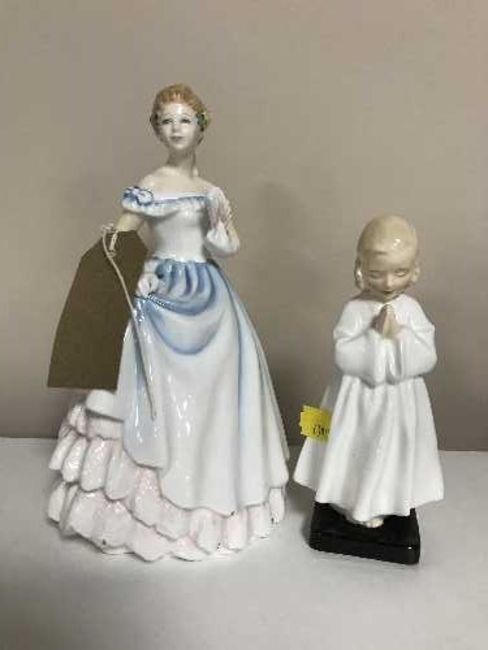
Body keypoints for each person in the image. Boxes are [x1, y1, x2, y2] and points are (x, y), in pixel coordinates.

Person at [48, 84, 289, 561]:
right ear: (157, 129)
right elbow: (122, 236)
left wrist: (220, 229)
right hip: (159, 291)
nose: (176, 129)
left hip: (210, 299)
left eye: (185, 120)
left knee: (223, 384)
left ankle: (212, 493)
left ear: (201, 127)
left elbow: (227, 246)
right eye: (167, 121)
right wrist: (128, 266)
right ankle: (139, 503)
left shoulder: (211, 192)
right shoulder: (152, 184)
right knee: (139, 379)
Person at [294, 215, 443, 528]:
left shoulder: (411, 311)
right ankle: (346, 495)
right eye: (377, 274)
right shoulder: (354, 310)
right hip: (354, 400)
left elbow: (427, 355)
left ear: (414, 269)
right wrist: (373, 337)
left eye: (399, 272)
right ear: (361, 270)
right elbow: (343, 352)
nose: (388, 283)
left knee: (389, 449)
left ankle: (384, 499)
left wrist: (400, 337)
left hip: (398, 402)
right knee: (351, 443)